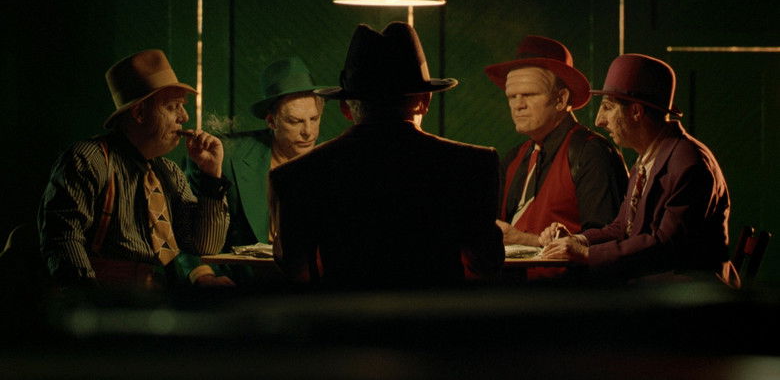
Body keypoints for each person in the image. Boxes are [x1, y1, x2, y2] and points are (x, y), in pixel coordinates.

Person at [270, 22, 505, 288]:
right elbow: (486, 265)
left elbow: (295, 270)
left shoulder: (296, 175)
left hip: (345, 313)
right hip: (436, 313)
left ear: (346, 107)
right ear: (425, 101)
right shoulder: (473, 165)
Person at [38, 49, 230, 290]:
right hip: (110, 298)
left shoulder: (169, 172)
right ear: (139, 113)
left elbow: (204, 246)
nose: (184, 116)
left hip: (162, 299)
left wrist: (211, 174)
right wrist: (92, 301)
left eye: (182, 106)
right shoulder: (89, 160)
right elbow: (63, 239)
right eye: (173, 107)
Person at [540, 54, 731, 282]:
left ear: (636, 112)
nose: (599, 120)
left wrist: (587, 254)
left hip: (688, 294)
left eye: (607, 107)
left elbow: (666, 246)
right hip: (653, 285)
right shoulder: (648, 158)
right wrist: (577, 240)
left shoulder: (687, 163)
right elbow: (621, 227)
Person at [180, 56, 328, 286]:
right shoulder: (225, 157)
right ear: (271, 121)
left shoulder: (330, 163)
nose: (308, 131)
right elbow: (184, 233)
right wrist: (204, 276)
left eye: (314, 119)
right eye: (295, 121)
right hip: (239, 289)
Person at [484, 36, 628, 248]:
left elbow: (606, 242)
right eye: (511, 97)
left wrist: (526, 241)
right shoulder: (515, 157)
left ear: (561, 99)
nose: (518, 105)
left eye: (529, 94)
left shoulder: (591, 152)